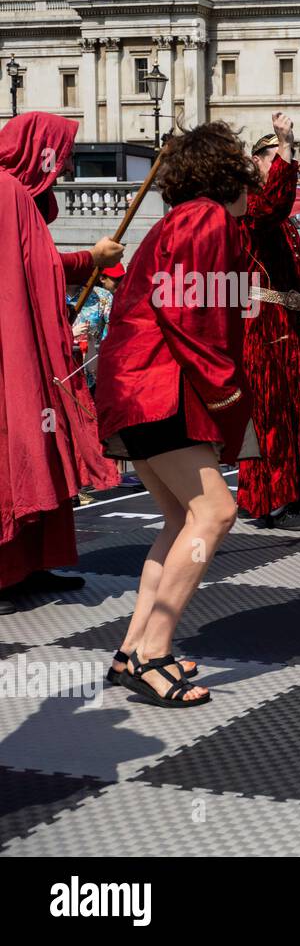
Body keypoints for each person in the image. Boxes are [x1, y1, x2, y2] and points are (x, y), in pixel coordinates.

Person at [94, 121, 260, 705]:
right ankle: (152, 651)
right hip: (157, 385)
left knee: (179, 519)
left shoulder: (178, 219)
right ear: (227, 173)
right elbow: (188, 313)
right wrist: (225, 392)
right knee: (215, 514)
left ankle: (130, 649)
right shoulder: (206, 219)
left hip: (135, 384)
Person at [0, 112, 122, 617]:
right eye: (60, 157)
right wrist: (92, 257)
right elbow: (42, 267)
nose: (64, 168)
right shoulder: (7, 193)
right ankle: (7, 570)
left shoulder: (16, 194)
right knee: (16, 447)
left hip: (21, 342)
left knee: (38, 444)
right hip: (12, 351)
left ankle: (35, 562)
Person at [238, 115, 300, 531]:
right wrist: (286, 145)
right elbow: (272, 202)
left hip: (286, 322)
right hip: (262, 323)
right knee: (270, 411)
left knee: (297, 407)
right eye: (273, 159)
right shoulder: (252, 207)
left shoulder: (279, 216)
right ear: (256, 162)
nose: (281, 166)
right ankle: (269, 500)